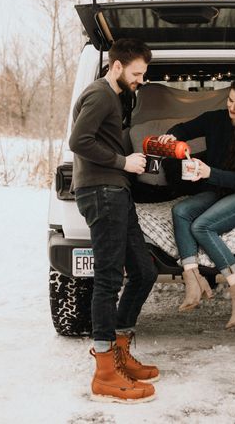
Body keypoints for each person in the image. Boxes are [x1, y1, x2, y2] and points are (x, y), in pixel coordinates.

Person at [70, 38, 159, 405]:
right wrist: (123, 163)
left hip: (116, 191)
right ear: (117, 66)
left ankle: (119, 351)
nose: (140, 80)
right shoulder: (100, 94)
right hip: (102, 192)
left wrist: (137, 156)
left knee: (144, 271)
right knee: (108, 279)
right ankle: (105, 372)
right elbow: (79, 140)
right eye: (137, 73)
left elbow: (103, 140)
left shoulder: (117, 98)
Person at [158, 75, 235, 329]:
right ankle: (193, 279)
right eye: (230, 100)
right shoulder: (215, 120)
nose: (232, 107)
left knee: (203, 226)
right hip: (220, 189)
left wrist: (209, 173)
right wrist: (171, 137)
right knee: (181, 211)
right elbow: (182, 129)